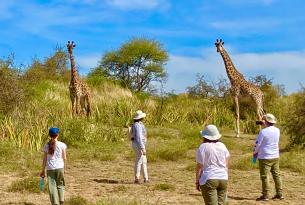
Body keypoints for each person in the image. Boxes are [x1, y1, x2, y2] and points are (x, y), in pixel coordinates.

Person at [196, 124, 230, 205]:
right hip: (223, 178)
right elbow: (227, 163)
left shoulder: (203, 147)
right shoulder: (222, 146)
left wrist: (197, 181)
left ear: (205, 136)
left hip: (209, 178)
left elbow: (199, 166)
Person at [253, 113, 284, 201]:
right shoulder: (277, 130)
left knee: (265, 176)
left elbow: (257, 144)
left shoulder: (263, 131)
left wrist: (254, 153)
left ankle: (265, 195)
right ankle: (279, 194)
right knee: (277, 175)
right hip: (275, 156)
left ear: (265, 121)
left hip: (264, 157)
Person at [40, 127, 67, 205]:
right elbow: (64, 158)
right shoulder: (62, 145)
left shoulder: (46, 146)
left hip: (50, 168)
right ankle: (61, 200)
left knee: (52, 187)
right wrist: (65, 169)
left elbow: (44, 159)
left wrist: (42, 170)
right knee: (60, 184)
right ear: (57, 134)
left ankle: (55, 203)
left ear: (49, 135)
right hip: (60, 167)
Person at [131, 110, 148, 184]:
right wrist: (143, 148)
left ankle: (145, 178)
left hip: (136, 144)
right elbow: (139, 137)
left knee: (143, 161)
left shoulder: (136, 124)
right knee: (140, 161)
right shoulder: (138, 125)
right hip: (139, 145)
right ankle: (137, 178)